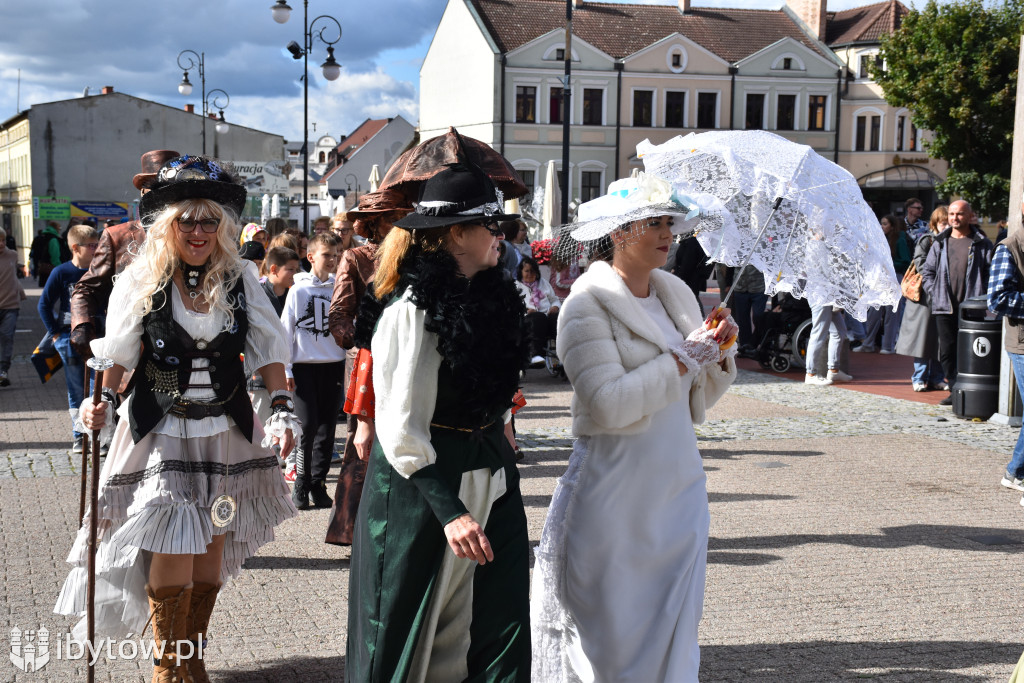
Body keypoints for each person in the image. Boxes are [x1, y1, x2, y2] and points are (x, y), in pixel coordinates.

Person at [54, 155, 299, 683]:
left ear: (222, 227)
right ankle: (168, 665)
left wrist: (280, 406)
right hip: (161, 429)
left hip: (227, 435)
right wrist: (97, 401)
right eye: (187, 220)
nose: (198, 231)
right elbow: (118, 355)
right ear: (168, 224)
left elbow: (268, 347)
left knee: (212, 545)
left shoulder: (239, 281)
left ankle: (192, 655)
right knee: (172, 537)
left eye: (209, 220)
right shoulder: (142, 281)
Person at [531, 173, 737, 681]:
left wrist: (719, 352)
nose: (668, 233)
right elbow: (608, 405)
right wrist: (687, 359)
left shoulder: (677, 294)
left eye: (670, 222)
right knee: (612, 634)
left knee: (674, 624)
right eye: (655, 223)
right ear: (620, 232)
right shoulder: (585, 305)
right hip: (615, 488)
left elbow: (696, 399)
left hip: (678, 484)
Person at [346, 163, 531, 682]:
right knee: (407, 632)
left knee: (500, 622)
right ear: (456, 235)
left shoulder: (495, 300)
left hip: (489, 475)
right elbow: (401, 426)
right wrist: (450, 512)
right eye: (490, 226)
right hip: (419, 491)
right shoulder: (411, 310)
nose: (502, 236)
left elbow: (495, 400)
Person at [325, 188, 410, 546]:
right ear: (374, 225)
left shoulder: (416, 254)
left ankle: (402, 526)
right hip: (367, 361)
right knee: (362, 442)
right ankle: (352, 530)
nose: (401, 224)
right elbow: (338, 314)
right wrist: (364, 338)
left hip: (408, 356)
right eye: (394, 218)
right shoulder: (356, 258)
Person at [69, 149, 180, 359]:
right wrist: (82, 325)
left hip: (183, 354)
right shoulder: (117, 237)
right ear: (143, 194)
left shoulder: (193, 234)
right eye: (152, 189)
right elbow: (86, 288)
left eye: (168, 190)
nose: (160, 197)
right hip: (130, 357)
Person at [281, 230, 345, 510]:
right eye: (326, 255)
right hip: (304, 366)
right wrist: (287, 368)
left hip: (333, 365)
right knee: (306, 425)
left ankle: (318, 484)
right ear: (311, 257)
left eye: (336, 255)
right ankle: (301, 482)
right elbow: (286, 329)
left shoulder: (338, 286)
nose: (332, 260)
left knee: (327, 427)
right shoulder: (299, 289)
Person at [920, 199, 993, 406]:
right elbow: (928, 272)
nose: (954, 218)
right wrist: (934, 292)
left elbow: (989, 272)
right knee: (947, 350)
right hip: (945, 306)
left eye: (959, 214)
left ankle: (969, 390)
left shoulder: (982, 242)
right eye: (952, 214)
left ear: (970, 216)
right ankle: (954, 388)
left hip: (972, 308)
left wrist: (983, 295)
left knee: (970, 350)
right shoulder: (940, 242)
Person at [38, 224, 99, 453]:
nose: (96, 249)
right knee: (76, 390)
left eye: (97, 244)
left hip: (97, 338)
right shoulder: (62, 272)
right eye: (91, 245)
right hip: (69, 338)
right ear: (76, 248)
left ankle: (98, 436)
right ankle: (80, 436)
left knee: (98, 387)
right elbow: (43, 304)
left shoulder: (100, 270)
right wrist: (55, 334)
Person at [987, 206, 1024, 495]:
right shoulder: (1009, 248)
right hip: (1022, 344)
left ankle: (1016, 471)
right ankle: (1015, 472)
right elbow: (997, 299)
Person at [896, 206, 948, 391]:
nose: (947, 226)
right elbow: (921, 263)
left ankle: (937, 377)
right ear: (935, 223)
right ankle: (919, 377)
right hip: (925, 298)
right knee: (923, 339)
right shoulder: (927, 240)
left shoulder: (952, 241)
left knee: (940, 340)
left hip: (942, 297)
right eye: (944, 223)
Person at [859, 215, 912, 354]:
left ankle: (887, 346)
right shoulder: (880, 239)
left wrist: (888, 264)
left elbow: (906, 261)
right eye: (881, 224)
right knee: (874, 312)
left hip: (894, 278)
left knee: (890, 313)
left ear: (892, 226)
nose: (882, 226)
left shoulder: (899, 240)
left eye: (885, 224)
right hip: (880, 278)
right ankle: (869, 343)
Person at [516, 256, 560, 366]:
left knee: (557, 318)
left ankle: (563, 355)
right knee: (537, 318)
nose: (530, 274)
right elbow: (513, 306)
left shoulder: (543, 283)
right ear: (521, 272)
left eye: (533, 271)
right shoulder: (516, 286)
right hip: (528, 319)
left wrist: (555, 306)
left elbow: (554, 299)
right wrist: (525, 311)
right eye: (527, 271)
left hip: (547, 316)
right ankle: (535, 354)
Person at [0, 227, 27, 387]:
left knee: (7, 337)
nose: (1, 243)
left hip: (10, 304)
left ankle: (3, 370)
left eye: (3, 240)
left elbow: (12, 276)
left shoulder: (12, 255)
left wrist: (20, 293)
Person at [671, 235, 715, 317]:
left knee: (690, 302)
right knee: (693, 300)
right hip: (693, 279)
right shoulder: (700, 241)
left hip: (688, 280)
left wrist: (677, 278)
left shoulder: (693, 241)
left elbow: (687, 264)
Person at [29, 220, 66, 286]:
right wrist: (60, 269)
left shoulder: (44, 236)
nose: (60, 230)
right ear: (56, 228)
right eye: (59, 228)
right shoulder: (53, 239)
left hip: (44, 268)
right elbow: (55, 256)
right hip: (51, 269)